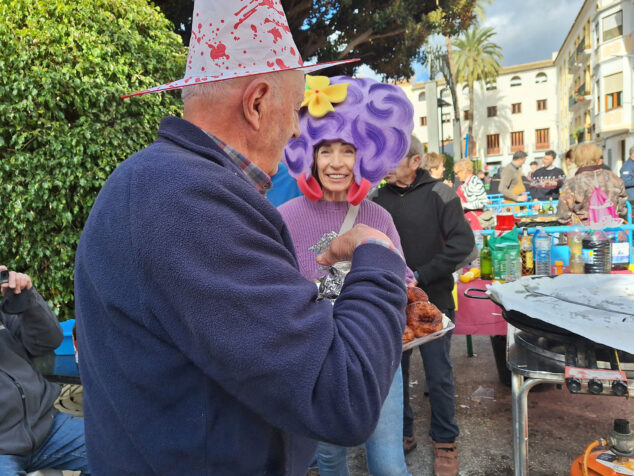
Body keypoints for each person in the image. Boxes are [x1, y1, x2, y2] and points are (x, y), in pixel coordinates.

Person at [74, 2, 408, 475]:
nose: (296, 131)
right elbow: (342, 394)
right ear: (256, 103)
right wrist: (376, 254)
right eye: (293, 111)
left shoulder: (157, 181)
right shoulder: (189, 201)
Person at [279, 75, 414, 476]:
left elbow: (402, 284)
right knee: (329, 458)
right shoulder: (283, 218)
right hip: (317, 357)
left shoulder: (380, 217)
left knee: (389, 461)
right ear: (308, 154)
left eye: (348, 150)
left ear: (368, 153)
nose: (336, 163)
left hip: (377, 354)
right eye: (324, 150)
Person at [374, 136, 476, 476]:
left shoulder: (441, 194)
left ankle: (445, 441)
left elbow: (463, 243)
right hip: (390, 302)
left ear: (415, 162)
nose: (383, 164)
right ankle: (401, 433)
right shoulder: (377, 198)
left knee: (439, 374)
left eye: (392, 157)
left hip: (435, 300)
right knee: (394, 373)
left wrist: (421, 274)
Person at [0, 266, 90, 475]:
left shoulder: (4, 315)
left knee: (118, 452)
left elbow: (47, 342)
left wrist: (25, 300)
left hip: (47, 427)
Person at [557, 143, 628, 224]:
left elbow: (563, 215)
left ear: (577, 159)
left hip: (584, 232)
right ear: (597, 157)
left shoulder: (572, 183)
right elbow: (622, 209)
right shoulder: (614, 178)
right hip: (612, 229)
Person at [453, 158, 489, 230]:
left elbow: (484, 202)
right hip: (467, 221)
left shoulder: (475, 182)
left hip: (476, 222)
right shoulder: (465, 183)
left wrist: (464, 205)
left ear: (464, 171)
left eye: (457, 173)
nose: (456, 176)